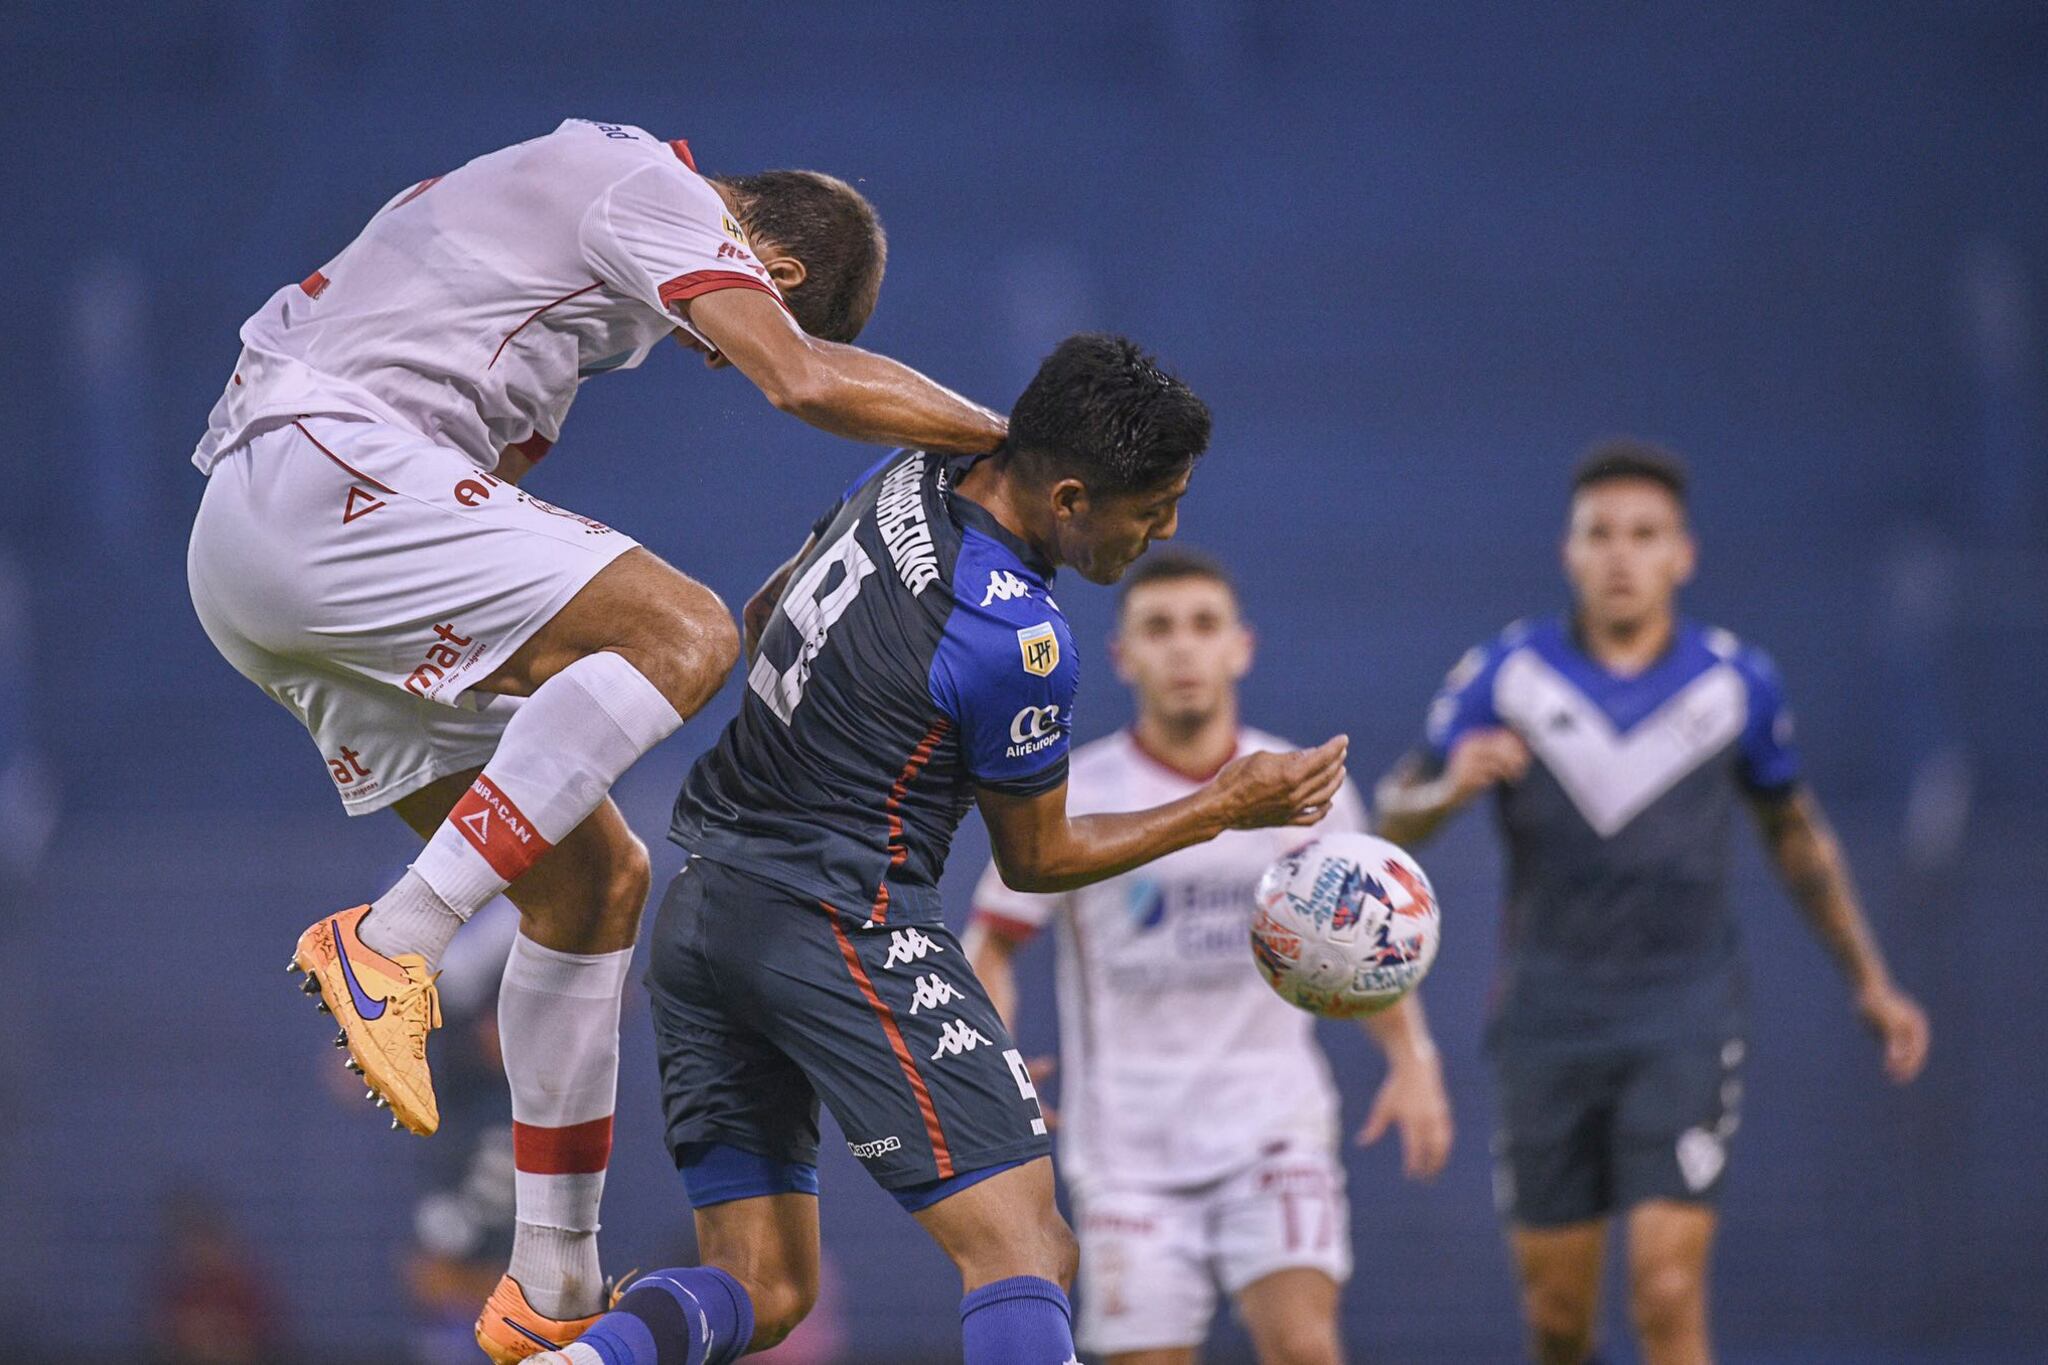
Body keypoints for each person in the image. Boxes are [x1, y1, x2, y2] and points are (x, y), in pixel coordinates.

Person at [184, 117, 1008, 1360]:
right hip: (315, 480)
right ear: (774, 268)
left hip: (275, 552)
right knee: (685, 633)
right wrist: (1013, 450)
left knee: (592, 883)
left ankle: (549, 1282)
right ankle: (390, 939)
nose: (715, 360)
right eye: (739, 327)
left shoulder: (562, 275)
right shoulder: (652, 186)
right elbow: (802, 377)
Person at [527, 333, 1350, 1365]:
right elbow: (1037, 860)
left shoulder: (906, 469)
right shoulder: (1017, 639)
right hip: (838, 922)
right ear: (1065, 498)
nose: (1163, 529)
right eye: (1149, 509)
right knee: (1027, 1250)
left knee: (762, 1285)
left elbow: (765, 606)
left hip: (701, 919)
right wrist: (1223, 804)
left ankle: (595, 1360)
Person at [1372, 440, 1931, 1365]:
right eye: (1601, 533)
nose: (1622, 554)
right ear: (1569, 552)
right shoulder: (1507, 674)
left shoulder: (1733, 682)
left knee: (1667, 1291)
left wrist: (1871, 981)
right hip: (1545, 1016)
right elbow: (1396, 816)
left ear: (1684, 554)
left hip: (1684, 1011)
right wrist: (1448, 789)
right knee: (1557, 1315)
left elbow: (1796, 833)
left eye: (1645, 534)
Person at [964, 549, 1455, 1365]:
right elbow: (993, 942)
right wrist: (991, 1062)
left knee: (1305, 1345)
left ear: (1242, 646)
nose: (1183, 648)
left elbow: (1370, 941)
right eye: (1158, 628)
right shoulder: (1076, 793)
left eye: (1203, 625)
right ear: (1121, 656)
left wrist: (1414, 1056)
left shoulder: (1302, 786)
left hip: (1273, 1126)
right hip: (1127, 1150)